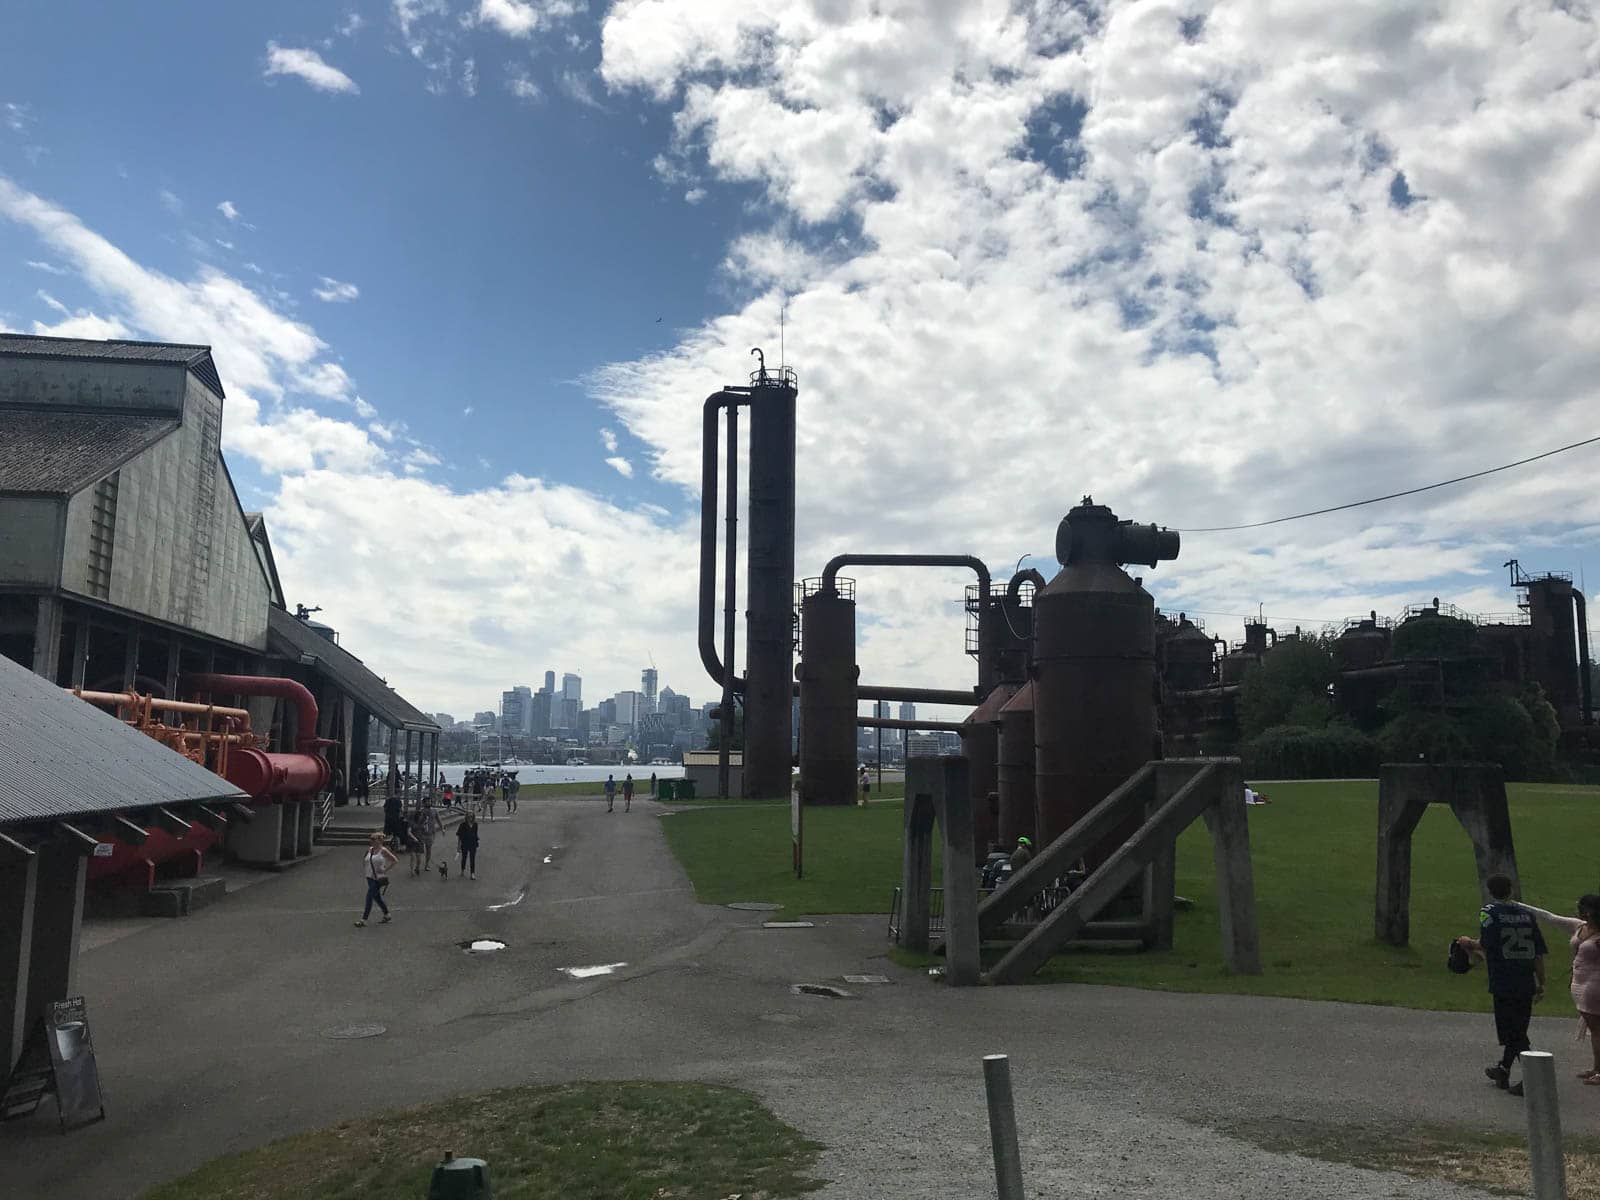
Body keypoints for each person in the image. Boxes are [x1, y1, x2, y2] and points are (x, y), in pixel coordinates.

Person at [1455, 873, 1547, 1095]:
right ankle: (1503, 1069)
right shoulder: (1527, 915)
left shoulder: (1490, 913)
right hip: (1525, 978)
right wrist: (1541, 981)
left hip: (1504, 979)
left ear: (1490, 891)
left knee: (1514, 1032)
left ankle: (1532, 1078)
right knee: (1518, 1026)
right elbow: (1537, 953)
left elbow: (1487, 944)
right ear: (1511, 889)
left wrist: (1467, 943)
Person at [1517, 894, 1600, 1082]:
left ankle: (1599, 1070)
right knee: (1594, 1027)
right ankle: (1596, 1068)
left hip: (1595, 985)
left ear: (1589, 911)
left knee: (1597, 1029)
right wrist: (1517, 905)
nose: (1576, 908)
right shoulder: (1579, 926)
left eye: (1580, 907)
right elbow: (1550, 917)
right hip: (1580, 982)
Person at [355, 832, 397, 927]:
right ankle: (387, 914)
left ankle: (364, 919)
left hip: (378, 878)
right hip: (369, 877)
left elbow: (394, 860)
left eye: (373, 839)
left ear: (379, 840)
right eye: (371, 839)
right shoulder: (370, 850)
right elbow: (365, 860)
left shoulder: (383, 850)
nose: (371, 841)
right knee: (377, 897)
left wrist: (385, 869)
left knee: (369, 896)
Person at [416, 800, 443, 873]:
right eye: (427, 802)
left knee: (429, 850)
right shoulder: (421, 811)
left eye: (430, 802)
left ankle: (427, 865)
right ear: (423, 803)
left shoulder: (434, 811)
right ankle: (417, 865)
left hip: (430, 834)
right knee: (419, 851)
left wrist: (442, 828)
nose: (429, 803)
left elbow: (438, 820)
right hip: (421, 834)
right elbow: (417, 822)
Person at [456, 811, 480, 880]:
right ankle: (462, 870)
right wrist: (458, 846)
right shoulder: (462, 825)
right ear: (466, 817)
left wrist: (477, 841)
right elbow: (459, 836)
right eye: (469, 817)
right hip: (465, 843)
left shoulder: (475, 824)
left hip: (473, 843)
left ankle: (472, 873)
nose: (470, 818)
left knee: (472, 859)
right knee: (464, 858)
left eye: (472, 817)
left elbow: (475, 834)